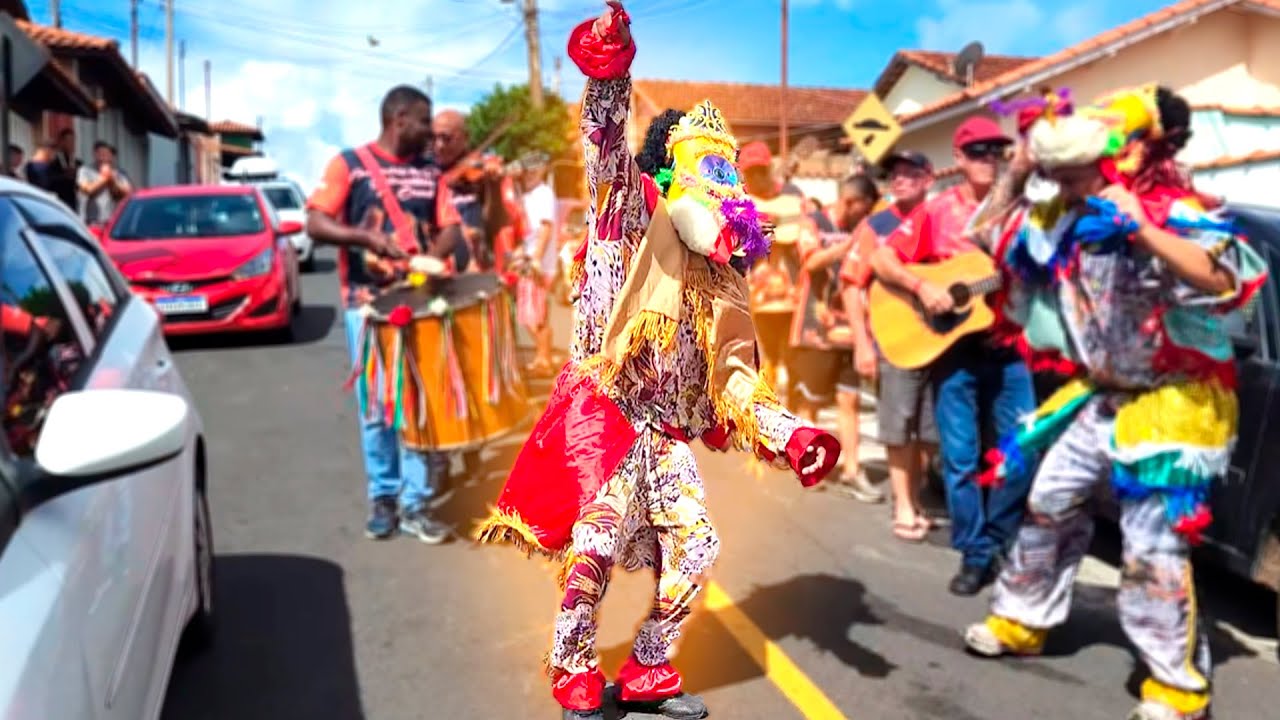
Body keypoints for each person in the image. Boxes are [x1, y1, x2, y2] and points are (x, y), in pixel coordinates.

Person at [476, 4, 839, 719]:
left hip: (665, 437)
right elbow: (604, 149)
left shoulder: (725, 278)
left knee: (698, 547)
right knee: (594, 549)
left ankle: (647, 669)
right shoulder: (631, 217)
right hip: (605, 420)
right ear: (670, 170)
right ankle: (572, 666)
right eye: (710, 165)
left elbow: (736, 382)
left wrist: (791, 434)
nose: (724, 180)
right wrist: (611, 74)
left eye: (729, 168)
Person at [960, 85, 1267, 720]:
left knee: (1153, 544)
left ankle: (1177, 686)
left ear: (1118, 162)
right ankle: (1022, 620)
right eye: (1058, 175)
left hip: (1176, 402)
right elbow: (985, 237)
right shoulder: (1065, 215)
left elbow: (1227, 278)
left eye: (1074, 173)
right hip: (1103, 395)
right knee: (1048, 502)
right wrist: (1017, 173)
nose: (1064, 184)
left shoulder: (1173, 208)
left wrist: (1144, 228)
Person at [868, 116, 1037, 595]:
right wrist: (923, 285)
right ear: (959, 158)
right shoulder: (936, 211)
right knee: (960, 459)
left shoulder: (1024, 212)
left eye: (998, 151)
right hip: (955, 353)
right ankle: (974, 553)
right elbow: (883, 259)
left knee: (1020, 451)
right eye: (979, 150)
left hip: (1010, 350)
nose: (990, 159)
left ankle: (1000, 542)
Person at [305, 84, 463, 544]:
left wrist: (431, 258)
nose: (431, 132)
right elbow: (315, 221)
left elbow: (451, 226)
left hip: (418, 307)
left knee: (418, 404)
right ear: (398, 121)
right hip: (367, 309)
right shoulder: (348, 166)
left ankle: (416, 503)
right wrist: (367, 240)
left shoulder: (430, 173)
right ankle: (384, 496)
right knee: (377, 408)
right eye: (422, 121)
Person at [840, 150, 939, 530]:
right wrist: (863, 344)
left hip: (943, 342)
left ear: (928, 177)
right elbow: (851, 286)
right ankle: (904, 505)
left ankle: (917, 494)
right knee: (900, 426)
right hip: (894, 341)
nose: (900, 178)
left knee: (932, 433)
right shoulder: (876, 226)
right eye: (894, 173)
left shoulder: (943, 218)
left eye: (910, 171)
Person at [738, 140, 812, 400]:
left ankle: (793, 415)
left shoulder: (792, 198)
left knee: (793, 363)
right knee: (762, 362)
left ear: (769, 169)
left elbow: (803, 237)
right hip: (755, 300)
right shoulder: (742, 200)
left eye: (760, 170)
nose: (755, 177)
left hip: (792, 297)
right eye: (750, 172)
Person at [432, 109, 510, 272]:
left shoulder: (478, 174)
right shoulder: (426, 171)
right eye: (433, 138)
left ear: (465, 138)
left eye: (446, 138)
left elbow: (496, 224)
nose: (438, 145)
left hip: (475, 270)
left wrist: (494, 187)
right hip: (438, 271)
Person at [518, 153, 558, 375]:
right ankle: (543, 357)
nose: (529, 174)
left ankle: (545, 359)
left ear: (541, 171)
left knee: (536, 315)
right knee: (532, 314)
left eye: (534, 170)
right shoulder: (529, 195)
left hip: (539, 263)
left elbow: (545, 228)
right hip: (530, 260)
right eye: (528, 169)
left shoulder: (544, 194)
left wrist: (536, 259)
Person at [78, 141, 133, 225]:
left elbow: (128, 193)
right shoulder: (85, 170)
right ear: (94, 154)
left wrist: (112, 181)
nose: (102, 157)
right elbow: (88, 190)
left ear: (112, 156)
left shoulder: (119, 173)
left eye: (106, 153)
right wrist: (104, 179)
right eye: (99, 153)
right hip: (91, 222)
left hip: (112, 223)